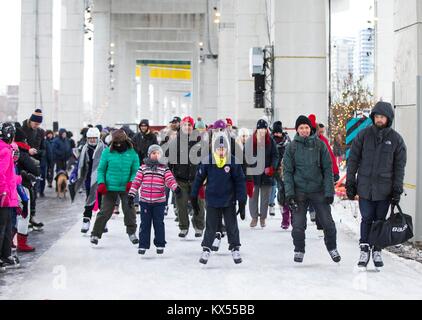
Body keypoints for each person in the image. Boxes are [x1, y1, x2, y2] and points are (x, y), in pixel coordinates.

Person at [346, 101, 407, 269]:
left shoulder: (396, 140)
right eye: (377, 116)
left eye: (383, 117)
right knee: (366, 219)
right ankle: (364, 248)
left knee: (380, 220)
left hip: (385, 189)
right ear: (373, 118)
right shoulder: (363, 135)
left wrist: (397, 190)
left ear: (389, 119)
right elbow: (353, 160)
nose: (379, 120)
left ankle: (377, 249)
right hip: (365, 187)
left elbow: (399, 167)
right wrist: (350, 183)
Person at [283, 115, 341, 263]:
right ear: (297, 129)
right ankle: (299, 249)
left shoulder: (320, 145)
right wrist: (289, 194)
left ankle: (332, 248)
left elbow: (328, 169)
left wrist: (329, 192)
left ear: (311, 129)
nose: (304, 130)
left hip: (318, 190)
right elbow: (287, 172)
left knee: (327, 222)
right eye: (301, 128)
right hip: (299, 191)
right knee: (297, 225)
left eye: (307, 127)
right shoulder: (291, 147)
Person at [191, 134, 247, 264]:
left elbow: (240, 181)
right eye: (218, 149)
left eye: (223, 149)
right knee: (210, 225)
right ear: (214, 149)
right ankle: (206, 248)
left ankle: (235, 247)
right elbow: (198, 179)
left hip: (229, 200)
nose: (221, 151)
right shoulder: (208, 161)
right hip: (212, 200)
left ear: (227, 149)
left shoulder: (232, 161)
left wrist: (242, 201)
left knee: (231, 225)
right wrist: (194, 195)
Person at [128, 145, 181, 255]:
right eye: (153, 153)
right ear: (149, 155)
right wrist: (131, 195)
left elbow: (170, 180)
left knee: (159, 223)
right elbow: (136, 182)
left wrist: (176, 188)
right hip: (145, 202)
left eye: (158, 153)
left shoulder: (164, 168)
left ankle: (160, 243)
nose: (155, 155)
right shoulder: (143, 168)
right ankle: (143, 245)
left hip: (159, 202)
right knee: (145, 224)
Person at [90, 129, 140, 246]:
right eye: (115, 143)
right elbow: (101, 170)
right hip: (109, 187)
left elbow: (135, 170)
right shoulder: (107, 152)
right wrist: (101, 183)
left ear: (124, 141)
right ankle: (95, 234)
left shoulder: (132, 153)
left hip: (126, 187)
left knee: (129, 211)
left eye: (119, 143)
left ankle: (131, 232)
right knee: (105, 212)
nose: (117, 145)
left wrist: (131, 182)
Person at [168, 116, 205, 238]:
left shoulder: (200, 141)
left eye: (190, 125)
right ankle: (183, 227)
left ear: (192, 127)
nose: (187, 127)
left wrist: (205, 176)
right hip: (180, 179)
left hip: (197, 179)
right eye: (185, 125)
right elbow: (169, 162)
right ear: (181, 126)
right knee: (181, 205)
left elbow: (206, 160)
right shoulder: (175, 142)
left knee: (199, 204)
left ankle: (199, 226)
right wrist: (170, 178)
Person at [71, 128, 106, 233]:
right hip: (88, 178)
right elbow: (79, 164)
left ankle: (102, 223)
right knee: (89, 199)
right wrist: (74, 174)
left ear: (98, 138)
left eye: (94, 138)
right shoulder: (84, 149)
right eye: (90, 138)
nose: (92, 140)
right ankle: (86, 220)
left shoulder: (105, 149)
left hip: (101, 178)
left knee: (101, 201)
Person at [246, 119, 279, 228]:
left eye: (264, 129)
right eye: (260, 129)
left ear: (266, 130)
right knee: (253, 197)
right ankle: (254, 217)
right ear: (257, 129)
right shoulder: (251, 141)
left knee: (265, 198)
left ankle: (263, 218)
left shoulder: (270, 141)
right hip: (254, 174)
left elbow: (275, 156)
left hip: (266, 175)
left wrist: (272, 167)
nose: (262, 131)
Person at [0, 122, 21, 271]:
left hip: (8, 195)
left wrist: (20, 178)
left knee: (7, 227)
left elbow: (9, 175)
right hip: (4, 196)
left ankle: (5, 254)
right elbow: (1, 175)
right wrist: (3, 192)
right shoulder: (5, 151)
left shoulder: (7, 150)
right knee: (2, 227)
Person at [21, 109, 45, 230]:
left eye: (38, 124)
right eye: (35, 123)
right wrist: (28, 150)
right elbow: (17, 146)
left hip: (34, 164)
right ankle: (25, 216)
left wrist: (38, 153)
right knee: (25, 192)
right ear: (31, 121)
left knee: (34, 191)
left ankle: (32, 215)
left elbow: (43, 149)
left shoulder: (40, 132)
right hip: (22, 164)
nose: (37, 126)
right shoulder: (21, 129)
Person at [269, 121, 292, 229]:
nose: (277, 135)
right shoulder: (270, 142)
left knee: (289, 193)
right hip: (276, 171)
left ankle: (292, 217)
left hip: (287, 171)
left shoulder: (287, 141)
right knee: (281, 194)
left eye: (279, 132)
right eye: (275, 133)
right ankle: (285, 218)